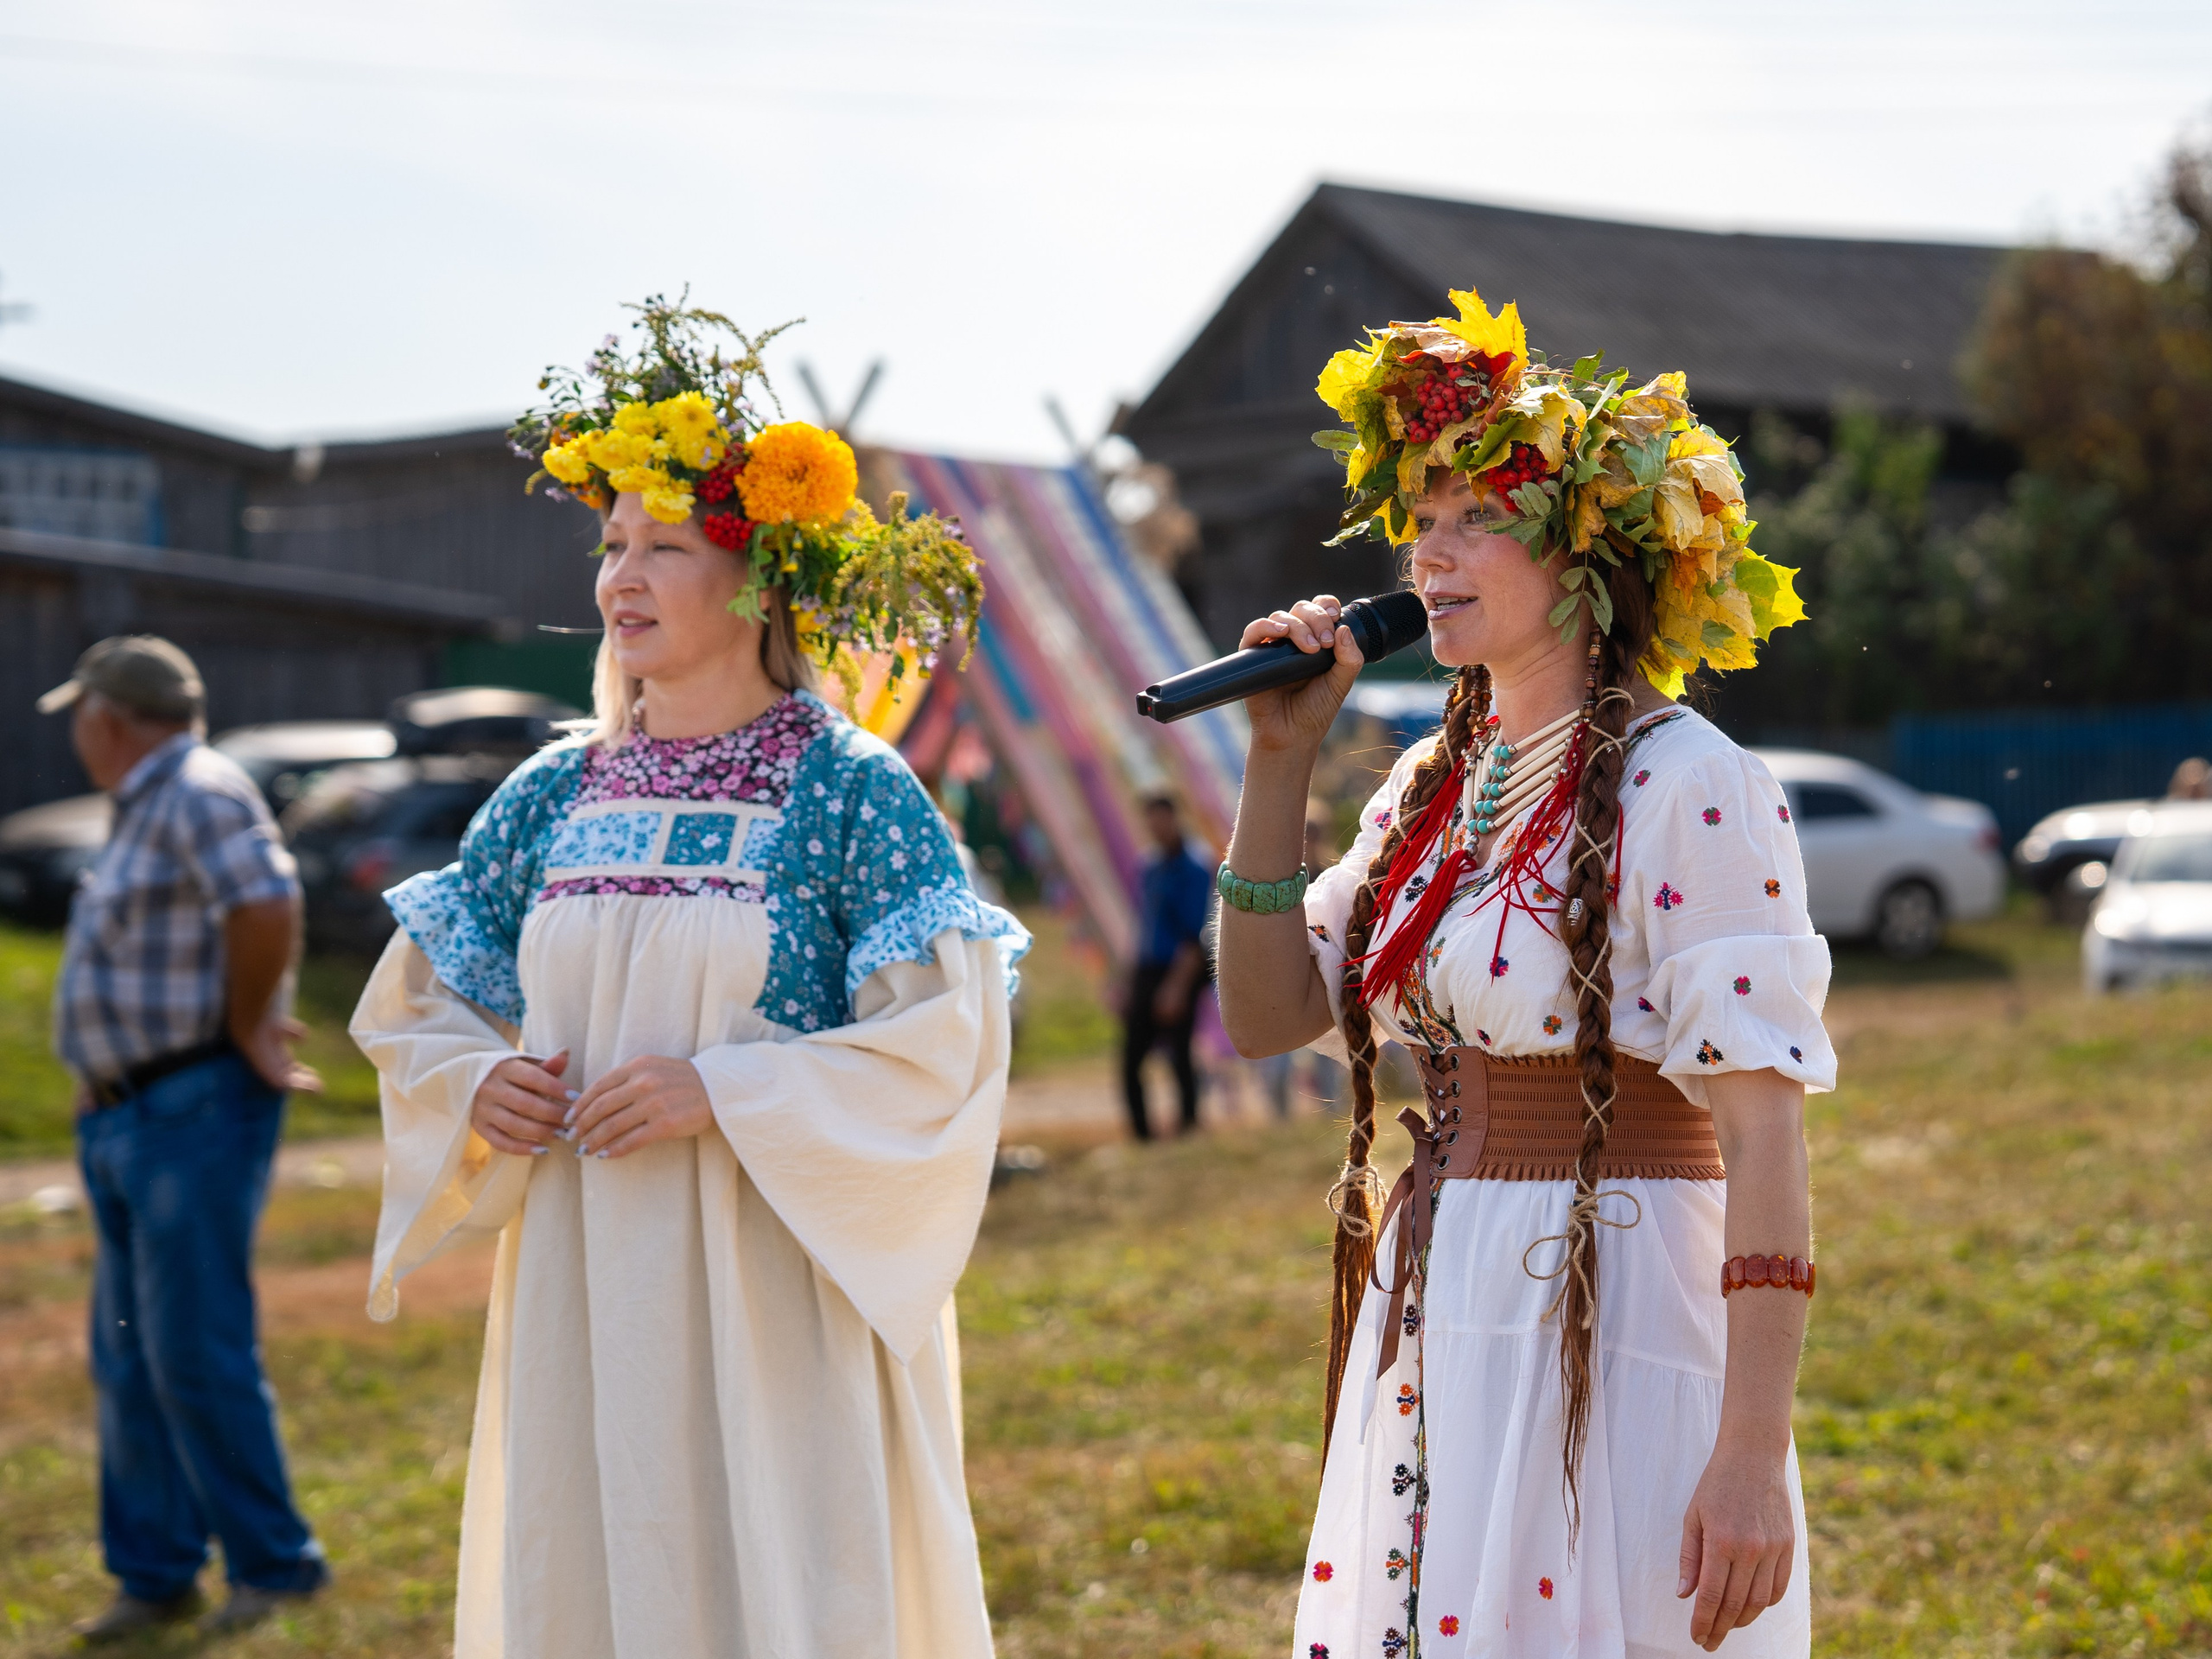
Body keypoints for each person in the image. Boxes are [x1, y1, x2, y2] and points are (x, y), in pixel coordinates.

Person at [352, 299, 1027, 1659]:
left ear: (763, 581)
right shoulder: (553, 790)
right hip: (585, 1285)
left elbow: (948, 1040)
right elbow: (422, 1003)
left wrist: (725, 1089)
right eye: (612, 546)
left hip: (773, 1278)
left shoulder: (848, 787)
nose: (622, 577)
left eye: (667, 545)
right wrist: (481, 1082)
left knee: (774, 1568)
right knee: (598, 1561)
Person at [1214, 289, 1834, 1656]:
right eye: (1420, 523)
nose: (1430, 555)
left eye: (1476, 520)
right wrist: (1279, 762)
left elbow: (1766, 1139)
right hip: (1449, 1302)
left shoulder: (1692, 784)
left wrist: (1749, 1454)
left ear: (1585, 558)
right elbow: (1265, 1017)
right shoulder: (1432, 788)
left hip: (1612, 1315)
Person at [39, 635, 329, 1642]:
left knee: (192, 1350)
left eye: (79, 714)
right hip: (131, 1108)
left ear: (107, 719)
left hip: (192, 1105)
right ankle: (156, 1573)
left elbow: (265, 901)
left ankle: (274, 1565)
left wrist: (248, 1026)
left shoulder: (198, 791)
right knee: (130, 1358)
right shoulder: (152, 801)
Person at [1122, 791, 1212, 1139]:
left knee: (1180, 1054)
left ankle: (1188, 1127)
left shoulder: (1193, 865)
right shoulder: (1149, 866)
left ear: (1175, 818)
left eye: (1161, 818)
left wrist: (1175, 987)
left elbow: (1194, 935)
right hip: (1149, 969)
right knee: (1132, 1059)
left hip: (1180, 970)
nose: (1156, 827)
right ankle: (1142, 1135)